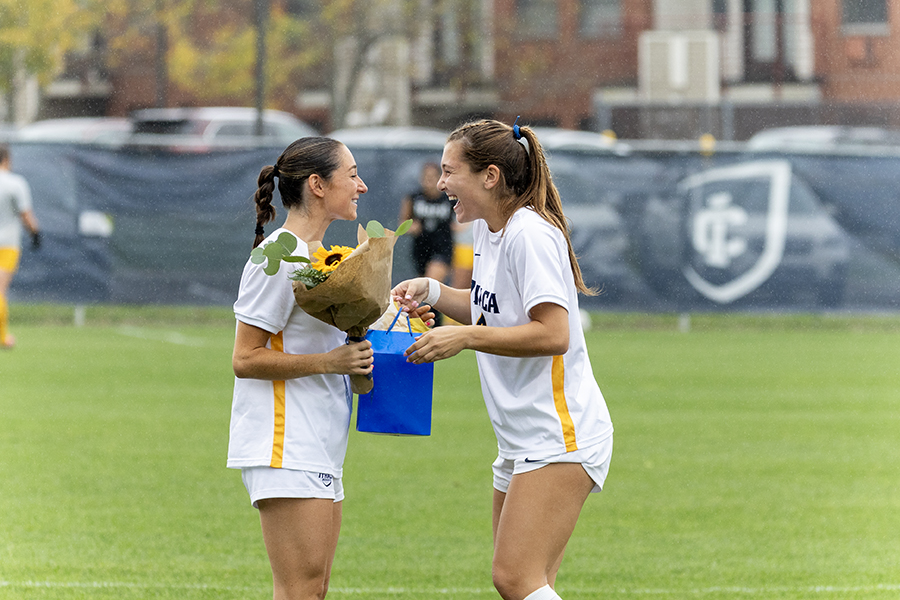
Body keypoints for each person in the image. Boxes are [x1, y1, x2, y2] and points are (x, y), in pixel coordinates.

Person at [392, 119, 614, 600]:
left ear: (490, 176)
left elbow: (553, 333)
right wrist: (430, 290)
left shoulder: (528, 234)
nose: (442, 183)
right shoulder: (492, 230)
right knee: (528, 585)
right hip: (522, 437)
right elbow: (488, 306)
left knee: (515, 578)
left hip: (559, 434)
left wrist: (465, 338)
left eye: (451, 172)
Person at [228, 137, 374, 600]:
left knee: (314, 589)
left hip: (321, 441)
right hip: (284, 444)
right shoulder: (279, 255)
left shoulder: (323, 259)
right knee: (300, 591)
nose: (362, 186)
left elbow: (349, 366)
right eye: (351, 175)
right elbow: (244, 358)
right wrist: (330, 361)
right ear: (316, 184)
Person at [0, 144, 40, 350]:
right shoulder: (15, 183)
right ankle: (2, 337)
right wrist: (35, 233)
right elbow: (26, 215)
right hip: (7, 245)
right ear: (7, 159)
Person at [398, 161, 454, 283]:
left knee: (430, 283)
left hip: (442, 248)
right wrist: (411, 227)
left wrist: (458, 228)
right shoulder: (414, 198)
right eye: (426, 177)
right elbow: (402, 223)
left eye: (432, 177)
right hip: (421, 249)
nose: (429, 181)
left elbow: (462, 219)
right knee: (424, 289)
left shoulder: (449, 198)